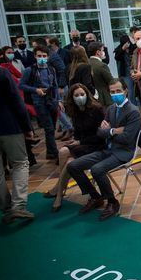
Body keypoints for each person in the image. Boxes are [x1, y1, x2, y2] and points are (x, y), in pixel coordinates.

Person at [67, 79, 141, 220]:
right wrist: (114, 131)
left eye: (118, 91)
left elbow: (127, 139)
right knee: (73, 166)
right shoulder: (111, 109)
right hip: (107, 149)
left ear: (126, 91)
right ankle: (96, 197)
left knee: (96, 169)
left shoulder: (133, 111)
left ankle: (112, 202)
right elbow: (99, 132)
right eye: (112, 92)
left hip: (123, 152)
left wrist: (109, 131)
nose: (115, 94)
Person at [0, 44, 34, 223]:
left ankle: (6, 209)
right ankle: (18, 206)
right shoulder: (0, 73)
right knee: (20, 163)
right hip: (9, 126)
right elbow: (16, 100)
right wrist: (27, 127)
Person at [45, 84, 106, 212]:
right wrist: (76, 140)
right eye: (76, 95)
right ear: (72, 98)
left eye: (82, 94)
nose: (80, 97)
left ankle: (59, 194)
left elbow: (101, 136)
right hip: (83, 144)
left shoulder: (97, 109)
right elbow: (78, 133)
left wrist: (79, 141)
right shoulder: (75, 111)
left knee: (69, 162)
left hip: (97, 145)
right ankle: (59, 188)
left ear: (87, 95)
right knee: (62, 151)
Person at [19, 45, 64, 161]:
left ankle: (50, 151)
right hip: (39, 101)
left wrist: (59, 100)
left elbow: (55, 85)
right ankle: (54, 152)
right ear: (35, 56)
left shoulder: (51, 69)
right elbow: (21, 85)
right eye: (39, 56)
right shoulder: (29, 70)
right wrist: (35, 90)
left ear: (48, 57)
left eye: (44, 56)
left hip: (52, 100)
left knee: (52, 127)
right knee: (48, 127)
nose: (42, 58)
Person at [87, 42, 113, 107]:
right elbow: (111, 81)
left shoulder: (86, 63)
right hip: (104, 98)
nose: (104, 52)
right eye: (103, 50)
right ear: (98, 52)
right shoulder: (102, 65)